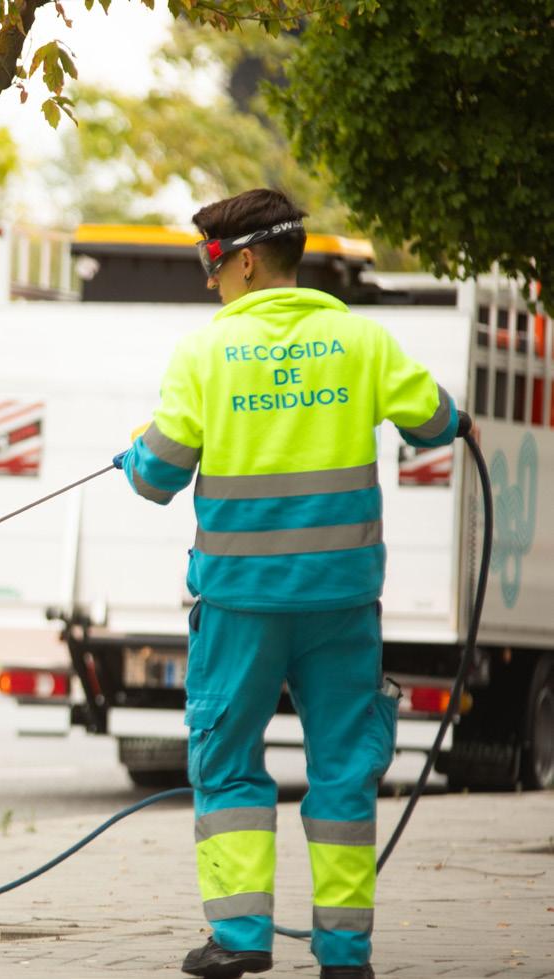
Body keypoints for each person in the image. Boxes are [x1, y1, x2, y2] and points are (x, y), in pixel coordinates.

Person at [113, 188, 463, 979]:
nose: (208, 280)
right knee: (343, 768)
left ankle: (240, 937)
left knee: (227, 762)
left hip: (241, 604)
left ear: (243, 262)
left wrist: (133, 454)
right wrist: (458, 420)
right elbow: (433, 422)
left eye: (209, 263)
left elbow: (157, 476)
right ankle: (344, 955)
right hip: (340, 602)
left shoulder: (204, 353)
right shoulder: (360, 340)